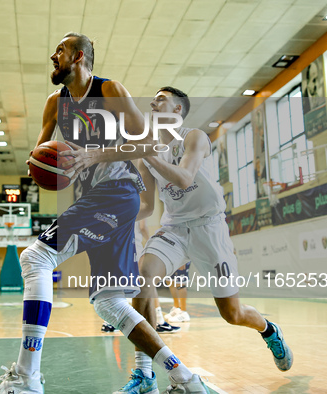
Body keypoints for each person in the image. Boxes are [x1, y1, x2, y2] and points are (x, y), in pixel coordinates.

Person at [0, 32, 197, 394]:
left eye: (61, 50)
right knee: (110, 302)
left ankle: (26, 379)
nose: (53, 56)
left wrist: (94, 154)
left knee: (35, 259)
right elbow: (42, 151)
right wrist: (41, 164)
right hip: (100, 197)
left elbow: (148, 141)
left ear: (79, 56)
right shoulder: (56, 103)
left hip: (118, 190)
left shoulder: (110, 90)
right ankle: (183, 377)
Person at [117, 87, 293, 392]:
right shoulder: (148, 152)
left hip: (209, 228)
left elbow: (184, 178)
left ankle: (269, 331)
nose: (152, 104)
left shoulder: (194, 137)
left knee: (232, 314)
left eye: (160, 100)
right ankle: (144, 373)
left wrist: (146, 154)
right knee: (143, 276)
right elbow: (146, 205)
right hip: (174, 227)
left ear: (177, 112)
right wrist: (116, 218)